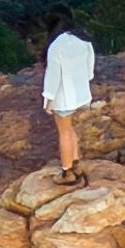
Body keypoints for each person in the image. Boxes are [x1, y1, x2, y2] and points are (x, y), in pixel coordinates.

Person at [42, 26, 98, 172]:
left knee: (64, 132)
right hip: (80, 94)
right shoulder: (83, 40)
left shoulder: (56, 45)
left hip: (64, 97)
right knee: (69, 128)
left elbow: (53, 75)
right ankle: (75, 159)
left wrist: (48, 100)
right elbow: (89, 69)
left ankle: (67, 171)